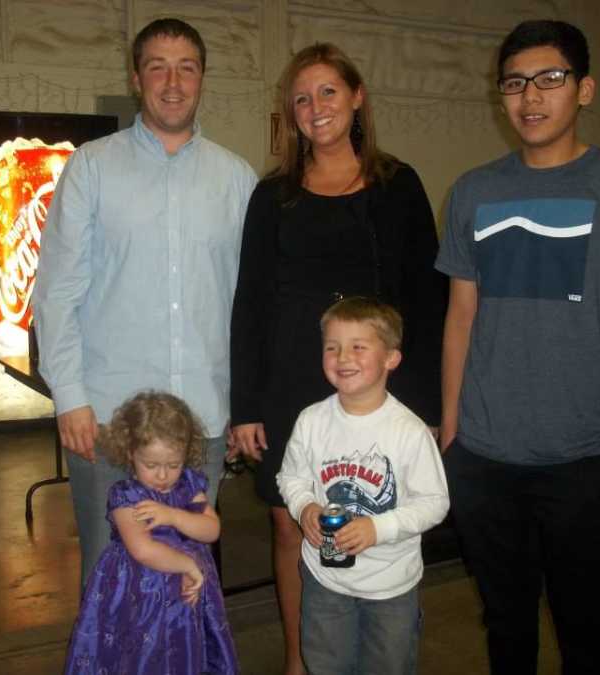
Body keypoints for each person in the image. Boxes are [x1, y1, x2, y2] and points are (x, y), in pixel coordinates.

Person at [435, 19, 600, 675]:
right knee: (506, 623)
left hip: (582, 455)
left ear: (585, 89)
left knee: (582, 624)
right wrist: (454, 428)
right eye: (515, 83)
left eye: (551, 78)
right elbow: (461, 314)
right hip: (485, 456)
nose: (531, 96)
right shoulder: (474, 190)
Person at [228, 42, 447, 674]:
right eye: (302, 97)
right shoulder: (272, 197)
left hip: (373, 385)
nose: (315, 107)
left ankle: (380, 649)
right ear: (289, 113)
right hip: (290, 380)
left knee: (379, 518)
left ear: (356, 98)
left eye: (328, 92)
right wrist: (246, 405)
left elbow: (426, 302)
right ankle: (302, 659)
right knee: (290, 522)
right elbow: (250, 303)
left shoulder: (397, 185)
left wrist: (425, 405)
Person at [33, 18, 257, 587]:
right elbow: (57, 288)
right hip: (108, 421)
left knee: (189, 575)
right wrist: (70, 397)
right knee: (112, 577)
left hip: (203, 424)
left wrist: (241, 401)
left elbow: (246, 302)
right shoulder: (92, 168)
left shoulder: (236, 180)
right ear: (136, 78)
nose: (173, 81)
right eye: (157, 66)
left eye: (186, 67)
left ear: (203, 77)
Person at [277, 297, 450, 675]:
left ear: (391, 358)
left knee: (388, 666)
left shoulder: (409, 431)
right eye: (332, 347)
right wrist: (304, 505)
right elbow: (290, 477)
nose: (343, 357)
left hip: (390, 586)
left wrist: (378, 527)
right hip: (325, 581)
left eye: (358, 346)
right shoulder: (311, 420)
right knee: (325, 664)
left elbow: (435, 502)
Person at [63, 391, 237, 674]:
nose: (162, 476)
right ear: (131, 454)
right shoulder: (127, 497)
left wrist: (173, 516)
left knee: (185, 652)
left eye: (173, 465)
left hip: (186, 597)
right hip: (140, 596)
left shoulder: (189, 486)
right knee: (144, 656)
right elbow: (141, 548)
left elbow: (211, 529)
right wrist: (188, 565)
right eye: (151, 465)